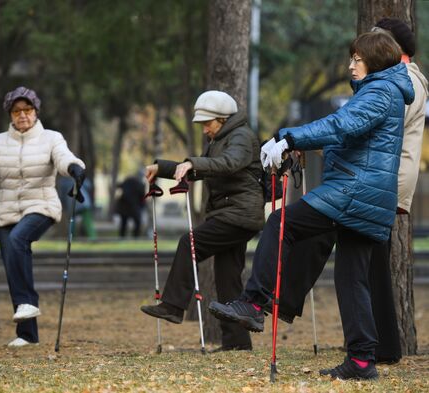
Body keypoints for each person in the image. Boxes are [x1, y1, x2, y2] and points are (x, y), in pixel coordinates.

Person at [208, 32, 414, 380]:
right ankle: (362, 361)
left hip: (353, 190)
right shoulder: (383, 91)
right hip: (366, 193)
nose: (350, 65)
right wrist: (306, 145)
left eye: (357, 59)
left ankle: (254, 302)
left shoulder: (380, 91)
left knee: (280, 224)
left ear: (375, 61)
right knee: (352, 279)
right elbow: (351, 138)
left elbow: (343, 126)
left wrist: (289, 137)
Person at [265, 19, 428, 365]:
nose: (357, 59)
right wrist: (315, 145)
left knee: (330, 246)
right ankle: (370, 352)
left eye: (374, 44)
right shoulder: (390, 82)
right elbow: (357, 133)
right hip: (373, 182)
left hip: (374, 184)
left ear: (392, 50)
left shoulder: (397, 83)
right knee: (360, 269)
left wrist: (296, 138)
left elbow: (361, 132)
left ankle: (273, 299)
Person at [0, 86, 86, 347]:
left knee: (18, 240)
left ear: (36, 112)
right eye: (17, 111)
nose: (22, 115)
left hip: (42, 206)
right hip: (6, 210)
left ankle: (28, 303)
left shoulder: (52, 138)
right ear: (10, 115)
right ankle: (27, 334)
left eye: (27, 110)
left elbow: (63, 158)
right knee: (12, 262)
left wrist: (74, 168)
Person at [140, 90, 265, 351]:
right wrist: (162, 168)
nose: (205, 129)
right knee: (227, 277)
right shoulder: (220, 138)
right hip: (233, 214)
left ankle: (173, 306)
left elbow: (229, 163)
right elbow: (206, 166)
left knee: (190, 243)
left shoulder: (240, 136)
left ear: (222, 118)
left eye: (208, 123)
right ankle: (237, 342)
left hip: (239, 214)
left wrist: (193, 163)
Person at [115, 174, 146, 238]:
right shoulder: (140, 185)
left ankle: (122, 237)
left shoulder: (126, 183)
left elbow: (119, 187)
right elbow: (142, 197)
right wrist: (142, 206)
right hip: (134, 206)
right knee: (137, 222)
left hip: (125, 206)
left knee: (124, 223)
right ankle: (135, 237)